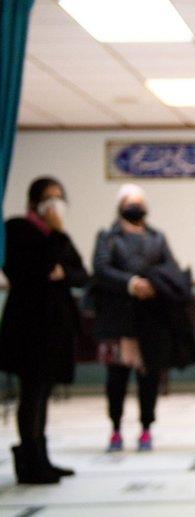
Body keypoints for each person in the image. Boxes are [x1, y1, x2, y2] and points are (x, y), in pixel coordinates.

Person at [0, 177, 88, 484]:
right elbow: (33, 269)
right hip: (29, 327)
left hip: (56, 328)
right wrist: (55, 240)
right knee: (32, 394)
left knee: (44, 393)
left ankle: (43, 459)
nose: (56, 204)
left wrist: (62, 269)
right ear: (34, 201)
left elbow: (80, 273)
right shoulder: (18, 229)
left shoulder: (58, 234)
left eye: (60, 197)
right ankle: (29, 462)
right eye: (49, 197)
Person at [92, 184, 182, 453]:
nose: (136, 206)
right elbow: (101, 268)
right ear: (121, 206)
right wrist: (131, 283)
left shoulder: (157, 237)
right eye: (130, 201)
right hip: (117, 320)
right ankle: (116, 429)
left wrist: (153, 284)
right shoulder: (108, 237)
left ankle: (146, 429)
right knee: (116, 379)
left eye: (139, 201)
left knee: (148, 378)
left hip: (150, 320)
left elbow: (171, 268)